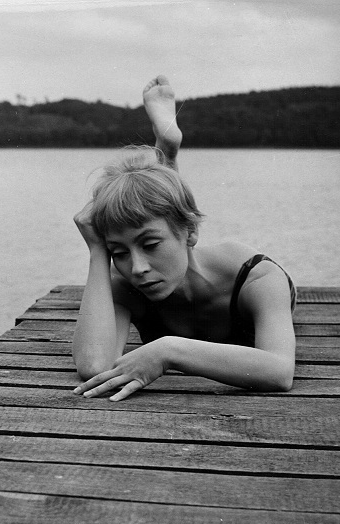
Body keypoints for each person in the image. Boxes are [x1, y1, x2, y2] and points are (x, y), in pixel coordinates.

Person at [71, 75, 296, 402]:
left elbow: (279, 371)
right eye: (118, 251)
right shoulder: (128, 281)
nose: (137, 268)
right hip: (178, 240)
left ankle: (165, 157)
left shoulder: (257, 277)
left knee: (166, 217)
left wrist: (167, 351)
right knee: (159, 218)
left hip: (227, 271)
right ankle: (164, 159)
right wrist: (96, 251)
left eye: (150, 246)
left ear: (192, 233)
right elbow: (94, 366)